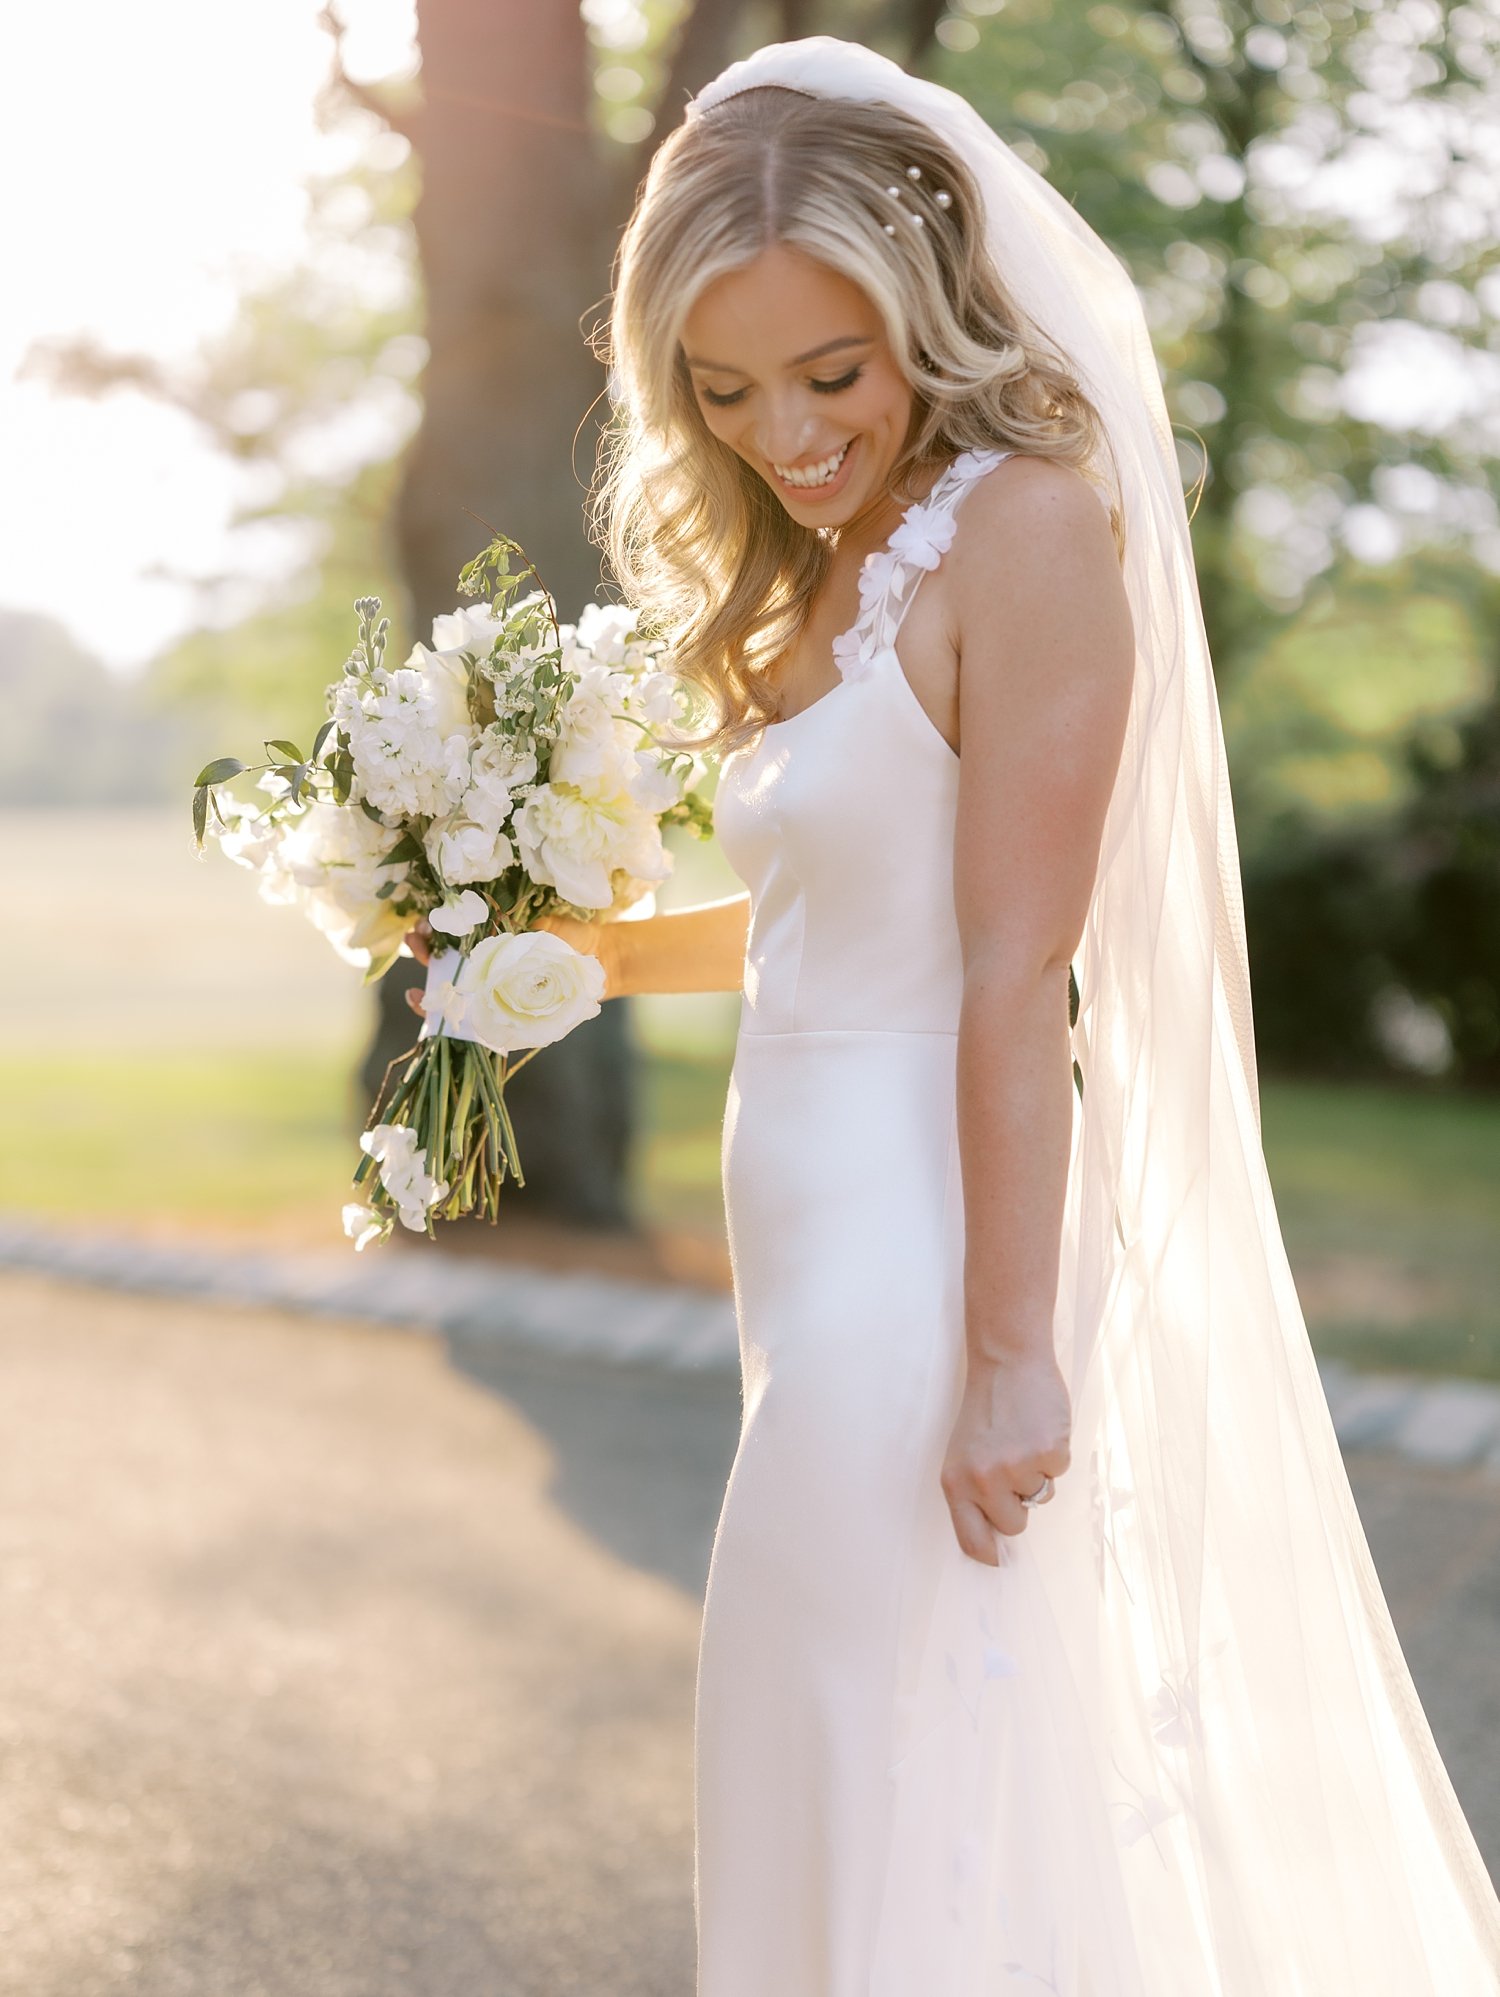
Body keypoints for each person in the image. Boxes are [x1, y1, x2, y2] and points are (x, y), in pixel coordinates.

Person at [416, 35, 1500, 1995]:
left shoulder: (1021, 527)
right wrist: (529, 960)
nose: (788, 431)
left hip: (929, 1261)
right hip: (814, 1243)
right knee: (864, 1742)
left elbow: (1015, 968)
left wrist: (1011, 1354)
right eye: (726, 393)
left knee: (857, 1732)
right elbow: (834, 927)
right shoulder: (834, 557)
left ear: (932, 300)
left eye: (832, 374)